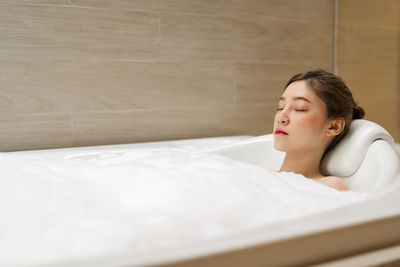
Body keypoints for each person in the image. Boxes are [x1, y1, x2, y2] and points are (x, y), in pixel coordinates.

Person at [273, 69, 365, 191]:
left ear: (333, 126)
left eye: (300, 109)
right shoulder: (256, 175)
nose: (281, 118)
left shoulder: (328, 187)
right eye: (281, 107)